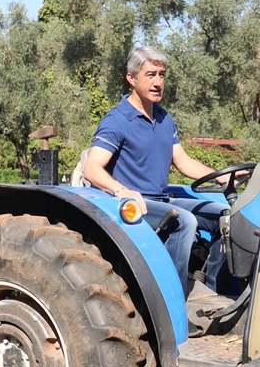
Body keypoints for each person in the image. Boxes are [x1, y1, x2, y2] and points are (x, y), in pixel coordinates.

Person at [85, 46, 231, 306]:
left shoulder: (164, 118)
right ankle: (170, 303)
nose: (157, 82)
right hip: (131, 205)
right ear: (132, 78)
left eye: (162, 75)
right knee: (183, 221)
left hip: (162, 201)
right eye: (150, 74)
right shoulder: (117, 120)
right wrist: (122, 190)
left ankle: (207, 297)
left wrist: (222, 176)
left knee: (225, 217)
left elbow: (183, 162)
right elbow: (92, 169)